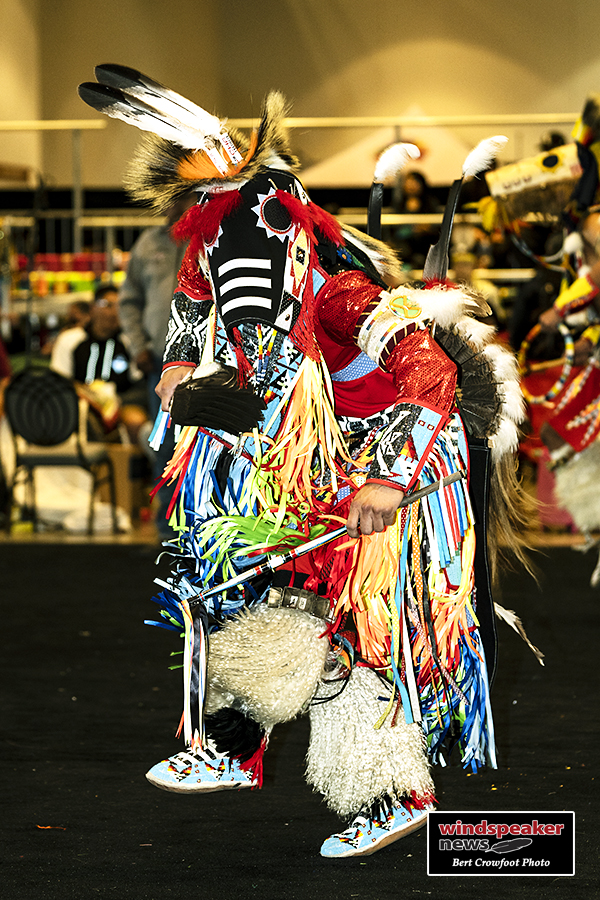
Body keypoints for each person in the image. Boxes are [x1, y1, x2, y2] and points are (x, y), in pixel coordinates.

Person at [79, 65, 530, 859]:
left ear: (289, 239)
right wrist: (186, 393)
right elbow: (182, 343)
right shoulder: (206, 262)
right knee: (258, 602)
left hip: (398, 455)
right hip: (299, 470)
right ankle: (283, 762)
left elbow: (431, 378)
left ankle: (332, 773)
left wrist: (388, 481)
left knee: (323, 621)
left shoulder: (345, 295)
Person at [118, 195, 195, 538]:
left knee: (202, 449)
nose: (167, 203)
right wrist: (138, 346)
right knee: (163, 448)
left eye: (175, 195)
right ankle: (168, 531)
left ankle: (204, 530)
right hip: (158, 365)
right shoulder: (149, 242)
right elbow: (129, 301)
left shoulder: (213, 237)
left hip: (205, 368)